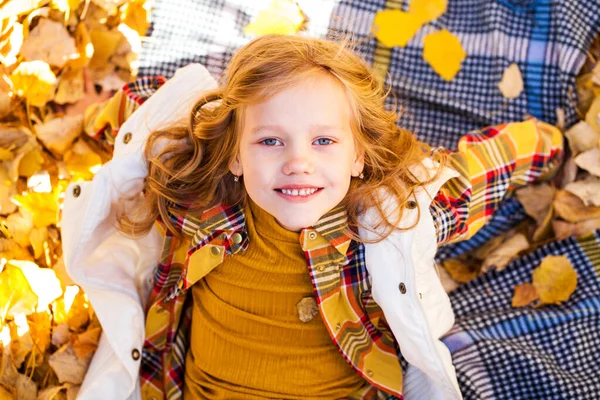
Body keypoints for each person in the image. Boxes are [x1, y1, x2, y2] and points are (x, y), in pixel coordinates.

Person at [61, 35, 563, 400]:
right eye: (270, 140)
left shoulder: (384, 224)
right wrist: (98, 112)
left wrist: (550, 144)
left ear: (358, 156)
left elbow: (475, 179)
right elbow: (150, 120)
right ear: (235, 155)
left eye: (323, 141)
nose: (297, 161)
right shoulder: (205, 207)